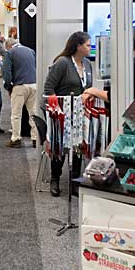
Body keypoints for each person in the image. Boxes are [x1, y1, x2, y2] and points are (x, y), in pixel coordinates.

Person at [43, 32, 96, 196]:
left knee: (79, 146)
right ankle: (55, 179)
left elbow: (87, 88)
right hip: (62, 113)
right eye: (88, 45)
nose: (90, 47)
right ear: (78, 46)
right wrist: (56, 110)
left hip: (80, 114)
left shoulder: (87, 64)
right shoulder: (62, 63)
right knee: (61, 147)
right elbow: (48, 88)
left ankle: (75, 182)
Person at [3, 37, 38, 149]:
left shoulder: (10, 53)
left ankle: (16, 138)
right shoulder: (31, 51)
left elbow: (6, 72)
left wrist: (8, 86)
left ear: (8, 46)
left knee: (16, 114)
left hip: (19, 86)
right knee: (33, 114)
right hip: (34, 84)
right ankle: (35, 139)